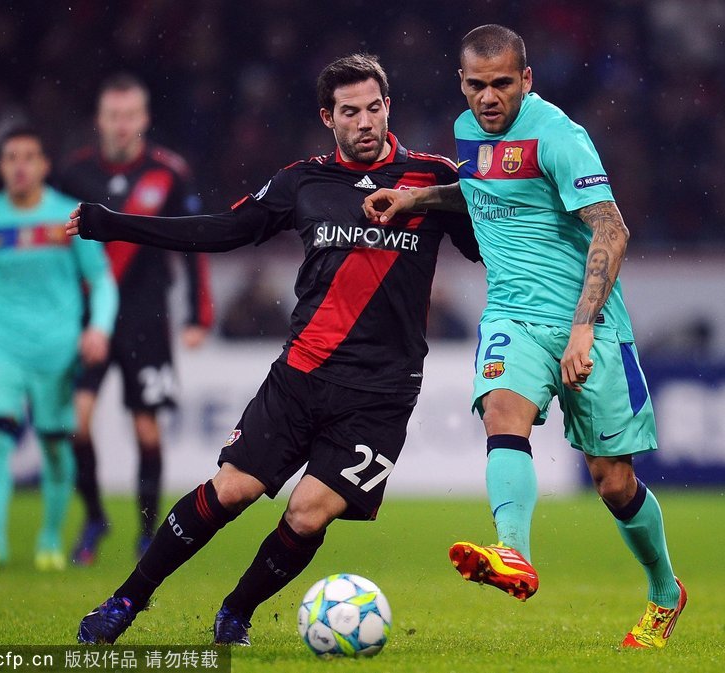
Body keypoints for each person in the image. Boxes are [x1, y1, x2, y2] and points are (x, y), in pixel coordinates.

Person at [69, 53, 480, 645]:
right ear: (327, 117)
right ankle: (126, 600)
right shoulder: (301, 181)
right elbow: (222, 230)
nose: (364, 122)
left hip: (382, 392)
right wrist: (118, 224)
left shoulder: (432, 179)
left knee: (309, 512)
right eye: (349, 112)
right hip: (302, 374)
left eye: (373, 108)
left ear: (388, 107)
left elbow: (492, 239)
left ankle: (236, 612)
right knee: (231, 490)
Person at [363, 24, 687, 649]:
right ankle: (513, 553)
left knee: (612, 482)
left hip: (585, 323)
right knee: (502, 414)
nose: (488, 98)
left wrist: (584, 329)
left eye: (502, 84)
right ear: (462, 82)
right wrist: (417, 201)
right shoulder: (464, 131)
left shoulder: (560, 137)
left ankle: (665, 590)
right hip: (511, 316)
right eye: (477, 85)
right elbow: (484, 193)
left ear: (526, 79)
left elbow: (612, 230)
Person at [0, 127, 117, 571]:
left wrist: (100, 329)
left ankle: (49, 542)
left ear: (45, 166)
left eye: (29, 157)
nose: (20, 166)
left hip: (56, 352)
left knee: (53, 445)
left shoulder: (66, 217)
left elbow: (102, 279)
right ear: (1, 166)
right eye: (11, 157)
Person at [55, 74, 214, 564]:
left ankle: (146, 532)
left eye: (130, 116)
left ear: (143, 120)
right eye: (112, 116)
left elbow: (194, 243)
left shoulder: (170, 172)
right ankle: (95, 516)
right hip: (88, 321)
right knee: (76, 424)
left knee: (146, 429)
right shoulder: (72, 174)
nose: (121, 125)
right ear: (99, 121)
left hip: (149, 314)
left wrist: (196, 315)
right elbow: (57, 250)